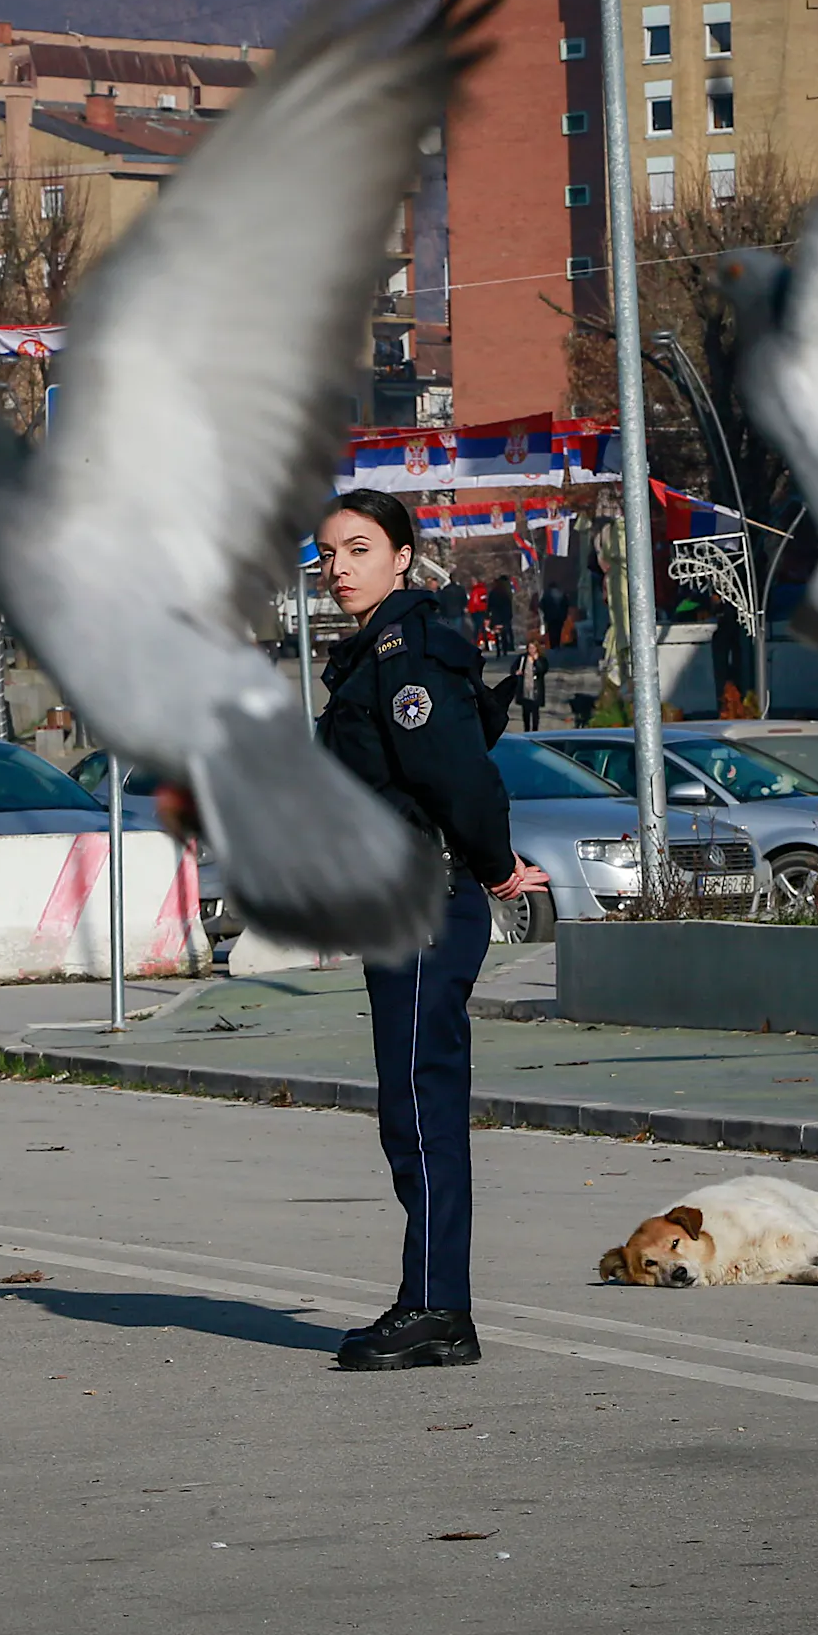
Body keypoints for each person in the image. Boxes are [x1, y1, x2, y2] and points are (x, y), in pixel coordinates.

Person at [314, 490, 548, 1372]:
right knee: (411, 1107)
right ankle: (434, 1304)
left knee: (421, 1107)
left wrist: (494, 865)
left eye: (359, 549)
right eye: (328, 553)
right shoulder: (373, 655)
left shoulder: (406, 655)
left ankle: (438, 1308)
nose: (339, 568)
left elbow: (460, 777)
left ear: (403, 556)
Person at [518, 636, 549, 731]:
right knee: (525, 713)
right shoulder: (523, 658)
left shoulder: (541, 659)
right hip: (525, 688)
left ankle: (535, 731)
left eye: (533, 648)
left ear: (536, 648)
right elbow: (514, 668)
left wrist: (536, 661)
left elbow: (542, 670)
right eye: (529, 648)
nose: (531, 650)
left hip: (536, 690)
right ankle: (526, 730)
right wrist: (516, 672)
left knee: (535, 712)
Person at [486, 575, 514, 658]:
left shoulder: (493, 593)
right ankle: (505, 649)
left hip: (496, 615)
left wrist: (488, 615)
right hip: (504, 615)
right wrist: (509, 614)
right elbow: (508, 605)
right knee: (504, 632)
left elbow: (489, 605)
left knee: (497, 632)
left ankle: (498, 649)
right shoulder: (505, 593)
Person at [541, 581, 570, 651]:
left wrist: (545, 612)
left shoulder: (547, 594)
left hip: (550, 617)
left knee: (551, 632)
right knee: (558, 630)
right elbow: (566, 604)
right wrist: (564, 614)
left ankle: (553, 646)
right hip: (560, 617)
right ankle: (557, 645)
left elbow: (541, 605)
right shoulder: (561, 594)